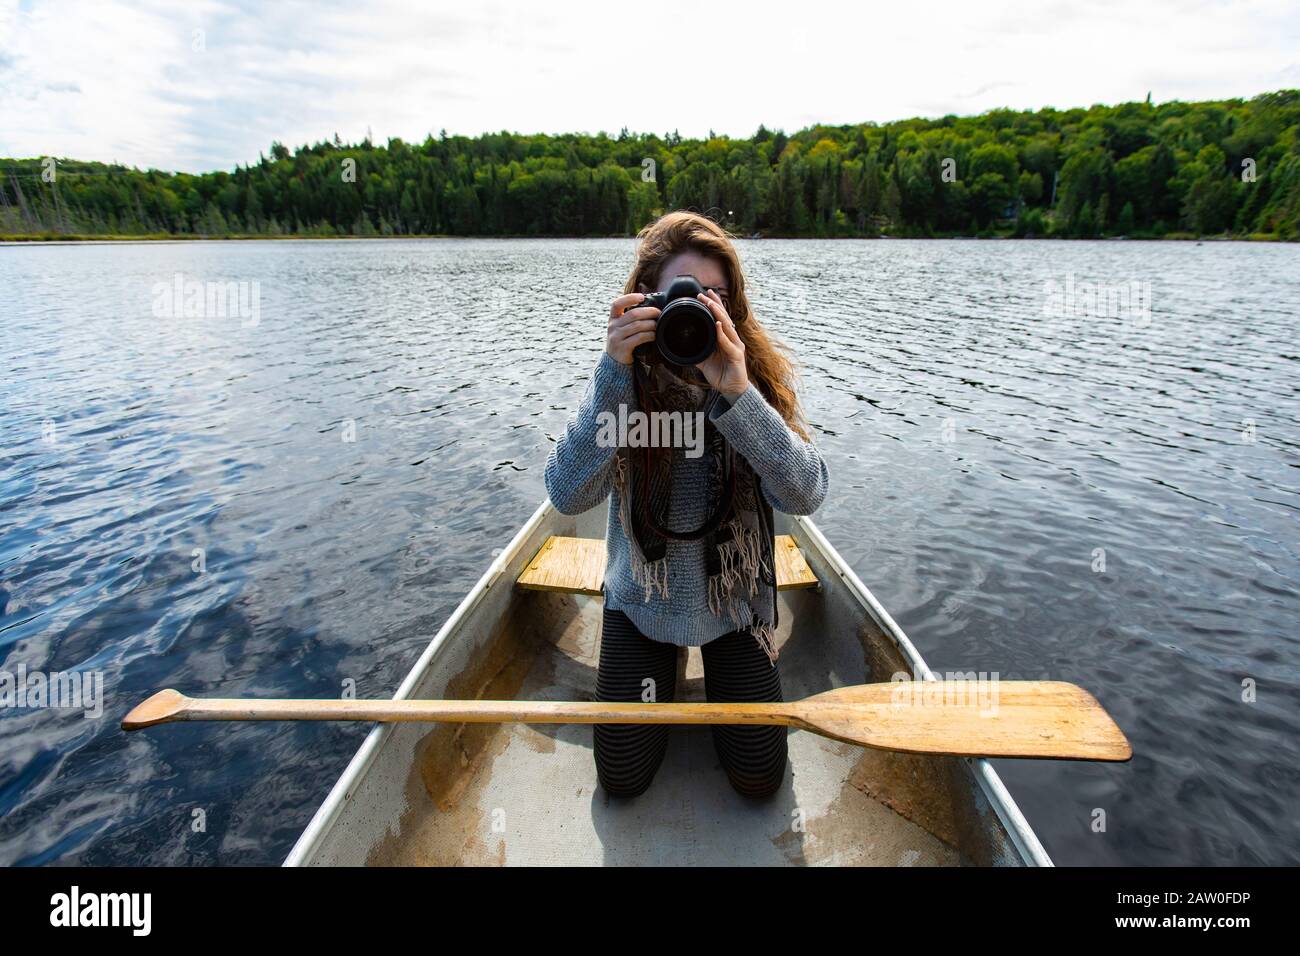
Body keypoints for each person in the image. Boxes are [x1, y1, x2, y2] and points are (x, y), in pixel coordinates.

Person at [544, 210, 829, 798]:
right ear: (644, 299)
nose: (695, 309)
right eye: (680, 293)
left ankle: (694, 666)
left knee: (758, 780)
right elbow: (567, 493)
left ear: (734, 305)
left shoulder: (751, 380)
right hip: (643, 600)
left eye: (713, 295)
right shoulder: (622, 382)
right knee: (622, 780)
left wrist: (739, 393)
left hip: (735, 603)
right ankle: (661, 663)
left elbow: (806, 494)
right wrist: (613, 377)